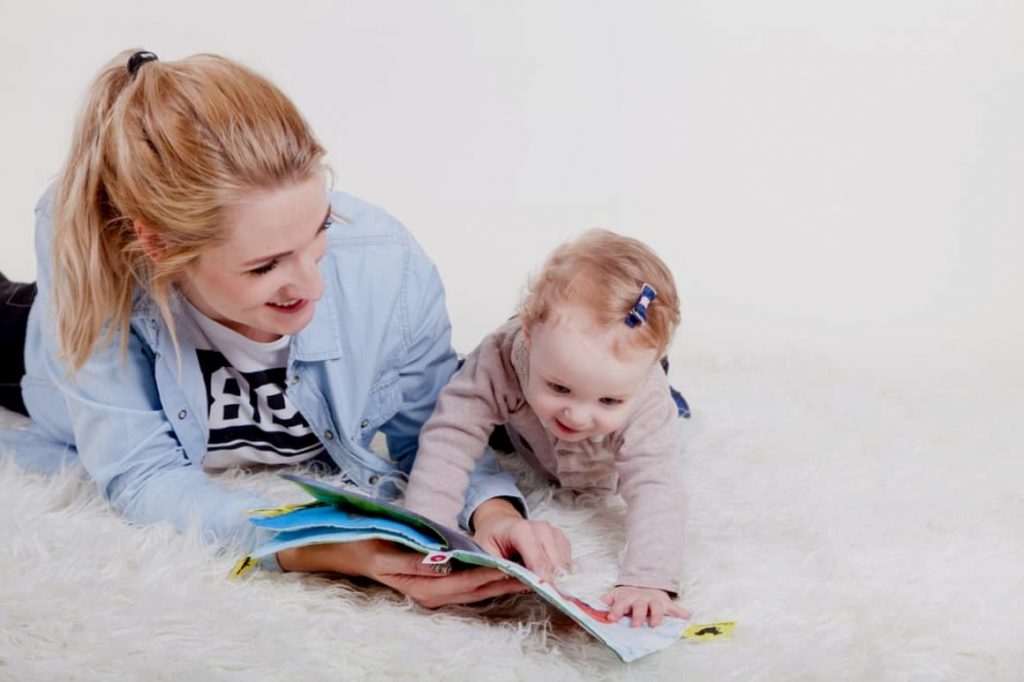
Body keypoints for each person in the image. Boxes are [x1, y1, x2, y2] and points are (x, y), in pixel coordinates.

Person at [0, 49, 569, 608]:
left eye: (319, 230)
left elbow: (434, 426)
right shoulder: (99, 264)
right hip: (27, 347)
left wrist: (492, 510)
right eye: (264, 266)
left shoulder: (387, 266)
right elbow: (141, 475)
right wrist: (321, 548)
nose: (313, 287)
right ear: (158, 246)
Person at [404, 229, 691, 626]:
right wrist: (423, 531)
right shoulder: (501, 355)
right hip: (527, 430)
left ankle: (667, 397)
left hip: (608, 444)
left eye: (608, 400)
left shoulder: (645, 397)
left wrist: (649, 580)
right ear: (528, 332)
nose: (577, 415)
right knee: (461, 391)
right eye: (560, 387)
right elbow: (450, 436)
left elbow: (657, 486)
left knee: (665, 422)